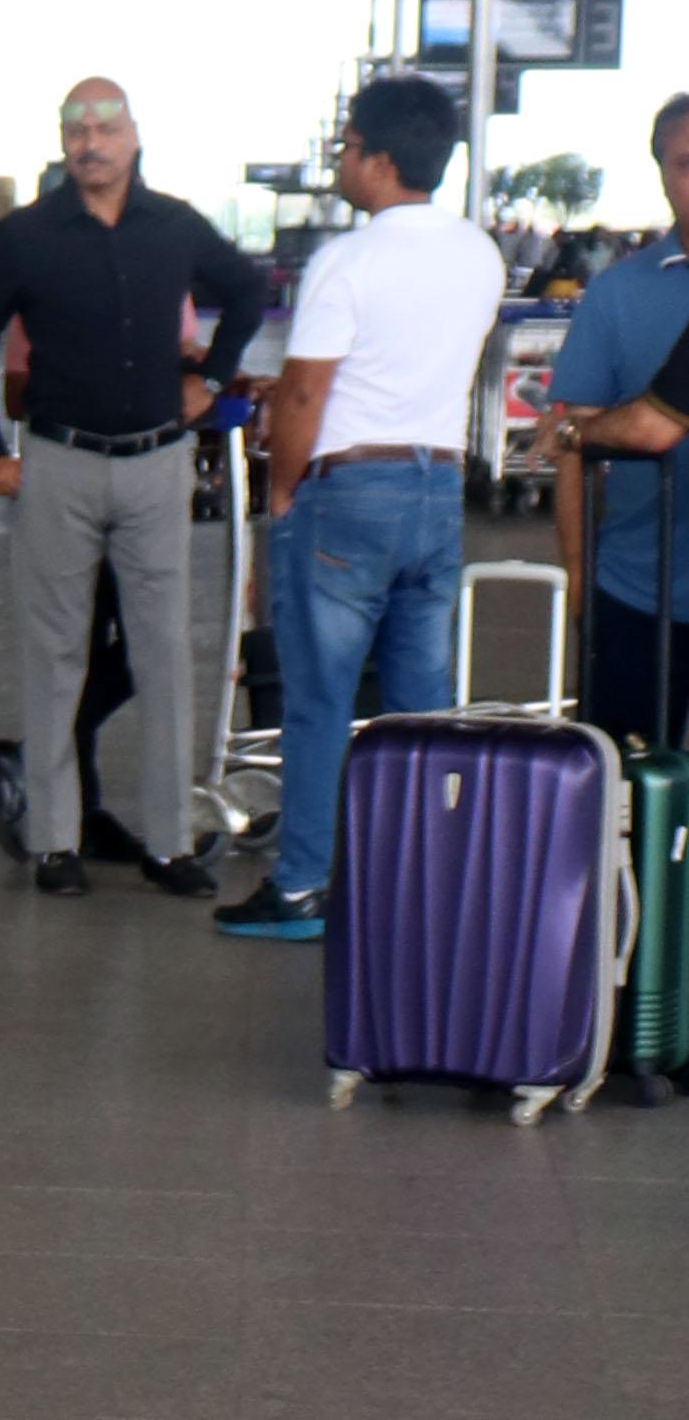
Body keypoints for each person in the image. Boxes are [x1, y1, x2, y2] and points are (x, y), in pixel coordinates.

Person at [0, 77, 260, 901]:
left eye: (105, 125)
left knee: (163, 656)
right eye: (75, 128)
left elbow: (252, 290)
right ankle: (54, 842)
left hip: (157, 466)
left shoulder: (176, 227)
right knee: (54, 658)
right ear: (62, 141)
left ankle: (168, 844)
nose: (91, 141)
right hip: (60, 466)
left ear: (133, 136)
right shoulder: (28, 237)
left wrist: (212, 378)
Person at [215, 69, 503, 939]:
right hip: (436, 489)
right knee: (424, 706)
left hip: (350, 496)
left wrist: (283, 500)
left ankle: (302, 886)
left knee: (318, 701)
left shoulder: (349, 260)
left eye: (346, 147)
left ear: (379, 161)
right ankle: (429, 887)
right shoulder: (479, 254)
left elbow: (304, 400)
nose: (340, 160)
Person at [534, 92, 689, 739]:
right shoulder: (618, 292)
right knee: (623, 794)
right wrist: (579, 577)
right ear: (660, 172)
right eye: (684, 163)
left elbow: (636, 428)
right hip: (635, 593)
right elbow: (575, 452)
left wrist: (575, 431)